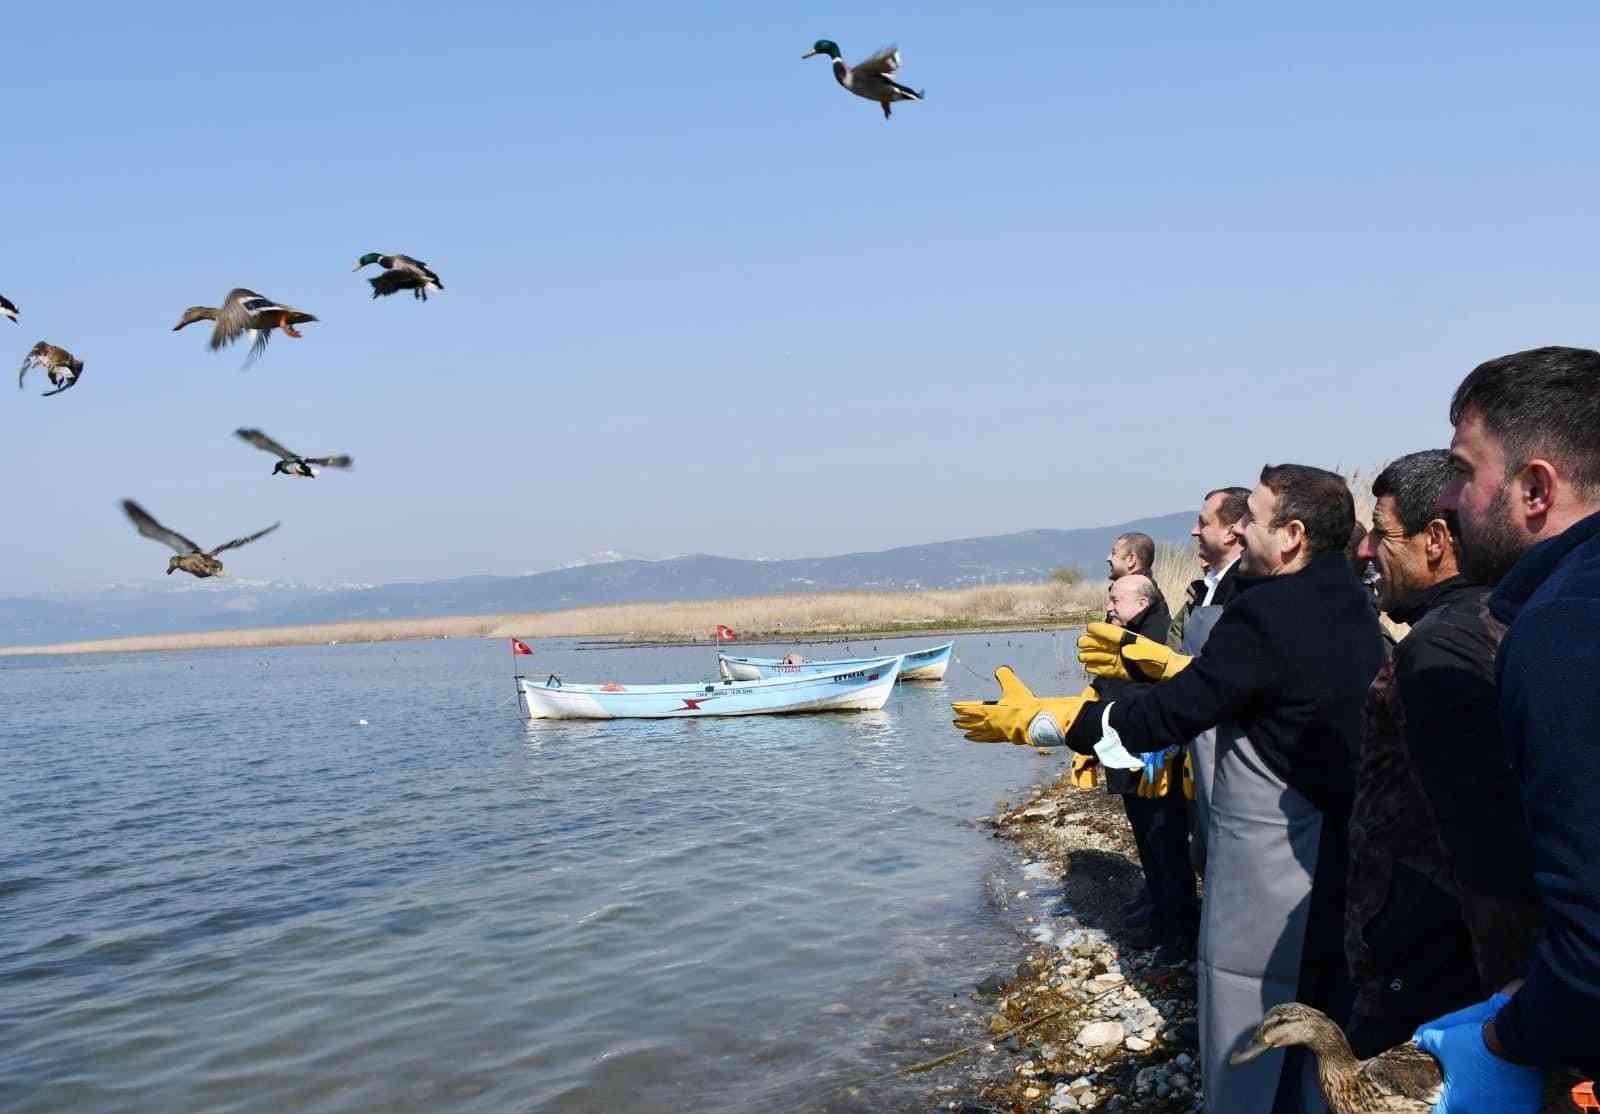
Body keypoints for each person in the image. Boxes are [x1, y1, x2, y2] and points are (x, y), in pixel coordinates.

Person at [956, 464, 1386, 1114]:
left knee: (1264, 1012)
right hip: (1342, 847)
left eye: (1254, 517)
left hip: (1279, 863)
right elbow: (1241, 680)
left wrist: (1052, 724)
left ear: (1293, 535)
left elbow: (1168, 715)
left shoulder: (1269, 611)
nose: (1241, 529)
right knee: (1326, 1012)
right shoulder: (1348, 596)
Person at [1415, 346, 1600, 1105]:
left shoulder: (1565, 627)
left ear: (1534, 488)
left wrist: (1504, 1037)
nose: (1453, 500)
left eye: (1464, 471)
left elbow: (1596, 945)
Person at [1344, 451, 1542, 1058]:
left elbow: (1487, 845)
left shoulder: (1441, 650)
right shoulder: (1503, 619)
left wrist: (1508, 1016)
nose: (1368, 551)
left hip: (1434, 968)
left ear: (1435, 540)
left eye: (1382, 533)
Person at [1096, 574, 1195, 962]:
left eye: (1115, 600)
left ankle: (1178, 932)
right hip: (1127, 752)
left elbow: (1149, 696)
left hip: (1153, 759)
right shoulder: (1128, 629)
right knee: (1149, 843)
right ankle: (1158, 909)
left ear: (1140, 603)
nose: (1109, 606)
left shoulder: (1154, 634)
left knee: (1165, 844)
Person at [1166, 487, 1249, 650]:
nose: (1194, 531)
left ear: (1230, 533)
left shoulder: (1245, 590)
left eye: (1203, 523)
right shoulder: (1204, 589)